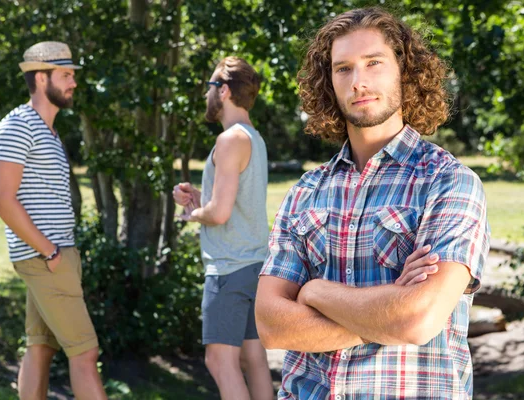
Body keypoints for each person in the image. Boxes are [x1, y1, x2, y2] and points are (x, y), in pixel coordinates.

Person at [255, 7, 490, 399]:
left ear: (404, 70)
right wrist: (388, 312)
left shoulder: (448, 183)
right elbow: (271, 326)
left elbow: (419, 318)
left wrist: (312, 292)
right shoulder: (305, 192)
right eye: (343, 68)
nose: (358, 82)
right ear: (328, 82)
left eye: (374, 63)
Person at [0, 41, 107, 400]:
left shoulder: (50, 132)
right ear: (41, 79)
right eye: (66, 75)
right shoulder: (18, 126)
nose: (73, 83)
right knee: (85, 352)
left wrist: (58, 253)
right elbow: (1, 200)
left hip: (53, 257)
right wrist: (51, 253)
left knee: (40, 347)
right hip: (45, 259)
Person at [172, 56, 274, 400]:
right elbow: (229, 202)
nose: (206, 94)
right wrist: (200, 199)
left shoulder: (230, 140)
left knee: (218, 360)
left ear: (225, 91)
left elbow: (218, 214)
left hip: (228, 268)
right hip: (253, 266)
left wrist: (191, 214)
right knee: (253, 358)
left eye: (210, 86)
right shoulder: (253, 138)